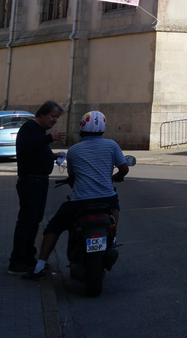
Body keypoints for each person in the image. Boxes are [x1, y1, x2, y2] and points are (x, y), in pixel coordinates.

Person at [24, 111, 129, 280]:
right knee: (114, 208)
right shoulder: (112, 145)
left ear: (81, 128)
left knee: (53, 228)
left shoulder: (73, 150)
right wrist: (117, 177)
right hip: (105, 200)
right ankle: (112, 237)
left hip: (80, 202)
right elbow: (124, 169)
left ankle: (39, 266)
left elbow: (73, 175)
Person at [8, 101, 63, 274]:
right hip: (31, 182)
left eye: (56, 117)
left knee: (34, 222)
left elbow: (36, 151)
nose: (54, 120)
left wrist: (53, 156)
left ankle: (28, 258)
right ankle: (17, 262)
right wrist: (50, 138)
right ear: (42, 114)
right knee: (27, 222)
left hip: (39, 181)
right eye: (52, 116)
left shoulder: (38, 131)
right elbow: (26, 147)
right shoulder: (30, 128)